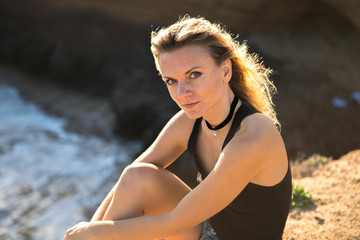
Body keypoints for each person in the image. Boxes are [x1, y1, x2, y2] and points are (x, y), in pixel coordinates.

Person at [64, 15, 292, 240]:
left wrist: (93, 232)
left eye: (194, 75)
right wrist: (90, 228)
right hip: (208, 232)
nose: (182, 93)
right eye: (171, 81)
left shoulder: (253, 136)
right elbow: (133, 176)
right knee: (137, 175)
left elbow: (176, 222)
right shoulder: (191, 122)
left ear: (225, 71)